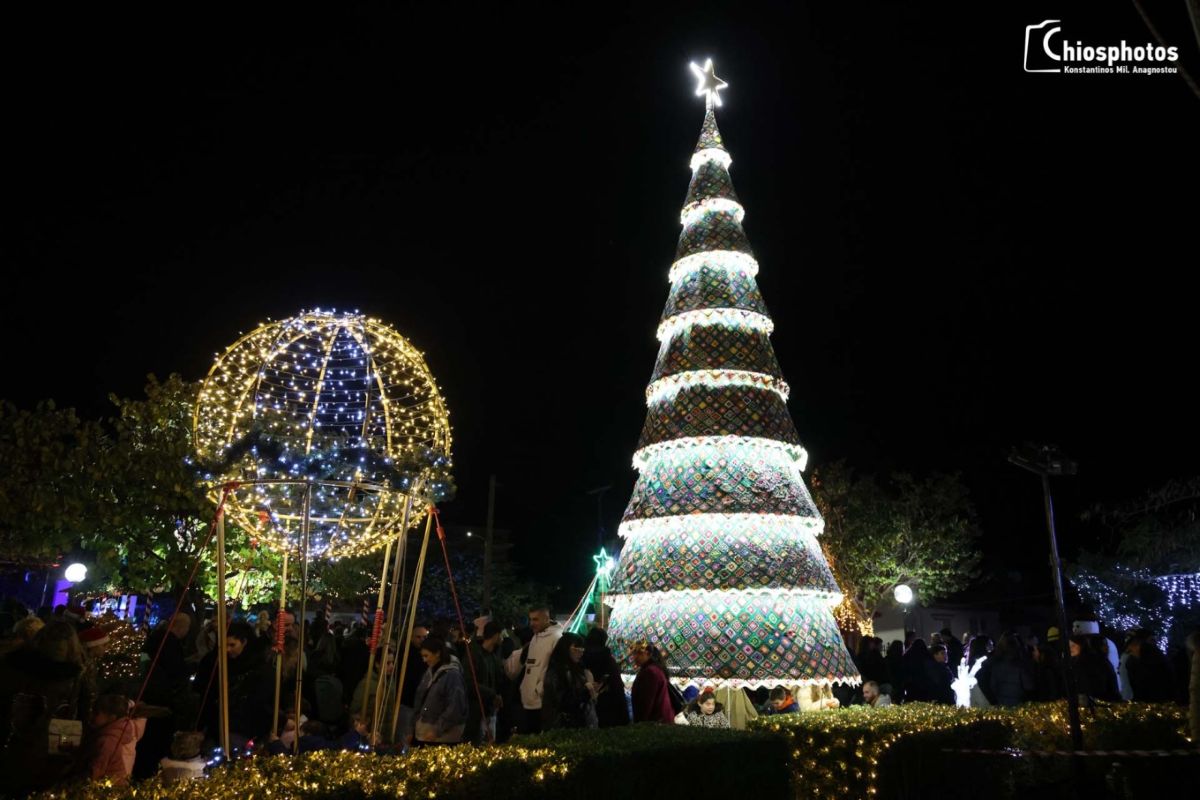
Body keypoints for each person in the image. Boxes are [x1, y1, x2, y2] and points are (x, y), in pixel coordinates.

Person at [503, 605, 563, 734]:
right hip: (528, 700)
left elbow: (555, 669)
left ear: (546, 619)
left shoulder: (556, 638)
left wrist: (540, 690)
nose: (531, 623)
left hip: (541, 703)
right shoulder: (535, 637)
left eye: (535, 619)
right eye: (530, 619)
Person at [77, 694, 146, 787]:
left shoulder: (108, 741)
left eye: (96, 713)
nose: (91, 716)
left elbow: (93, 773)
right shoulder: (105, 734)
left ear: (112, 717)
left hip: (108, 789)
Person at [411, 634, 468, 746]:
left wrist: (437, 729)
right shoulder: (430, 672)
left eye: (426, 656)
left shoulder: (452, 675)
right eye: (422, 656)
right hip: (425, 731)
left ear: (437, 653)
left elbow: (455, 706)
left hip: (443, 736)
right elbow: (420, 699)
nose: (424, 660)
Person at [540, 632, 597, 730]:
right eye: (576, 648)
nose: (581, 652)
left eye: (582, 649)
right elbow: (562, 702)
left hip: (578, 724)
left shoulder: (578, 669)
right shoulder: (557, 672)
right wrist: (585, 692)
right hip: (564, 727)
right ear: (565, 648)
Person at [465, 620, 506, 744]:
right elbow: (469, 683)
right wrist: (492, 694)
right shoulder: (474, 654)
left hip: (490, 709)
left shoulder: (493, 656)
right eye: (501, 635)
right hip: (476, 710)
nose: (503, 638)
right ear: (496, 635)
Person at [582, 627, 629, 728]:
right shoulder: (608, 660)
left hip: (586, 710)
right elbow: (617, 688)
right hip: (608, 709)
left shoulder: (581, 659)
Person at [977, 633, 1031, 707]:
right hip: (1018, 705)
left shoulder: (995, 665)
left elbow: (993, 687)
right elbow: (1029, 686)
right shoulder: (1020, 666)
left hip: (1001, 705)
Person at [629, 641, 675, 723]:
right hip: (659, 720)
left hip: (655, 722)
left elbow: (646, 703)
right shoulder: (653, 669)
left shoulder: (650, 672)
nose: (635, 657)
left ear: (647, 654)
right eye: (634, 654)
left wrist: (640, 724)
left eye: (639, 653)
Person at [1124, 631, 1175, 703]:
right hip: (1160, 698)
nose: (1130, 650)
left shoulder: (1149, 658)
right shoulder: (1157, 656)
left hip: (1153, 699)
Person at [1069, 634, 1120, 704]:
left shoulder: (1089, 662)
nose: (1070, 648)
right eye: (1069, 646)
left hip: (1100, 702)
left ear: (1082, 645)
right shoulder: (1079, 661)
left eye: (1073, 645)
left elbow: (1095, 687)